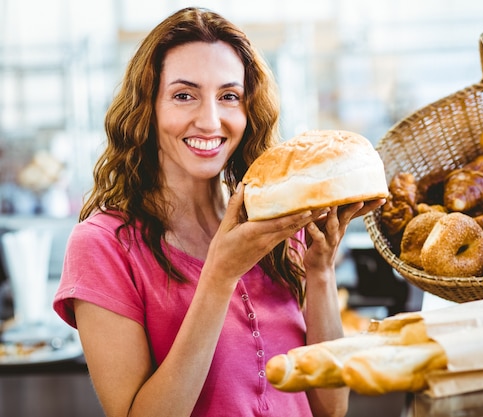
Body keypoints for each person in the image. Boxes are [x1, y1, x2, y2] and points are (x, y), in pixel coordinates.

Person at [53, 6, 383, 417]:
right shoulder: (102, 247)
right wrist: (220, 275)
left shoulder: (275, 222)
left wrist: (320, 272)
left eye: (229, 96)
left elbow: (330, 406)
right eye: (184, 95)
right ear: (147, 109)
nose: (210, 120)